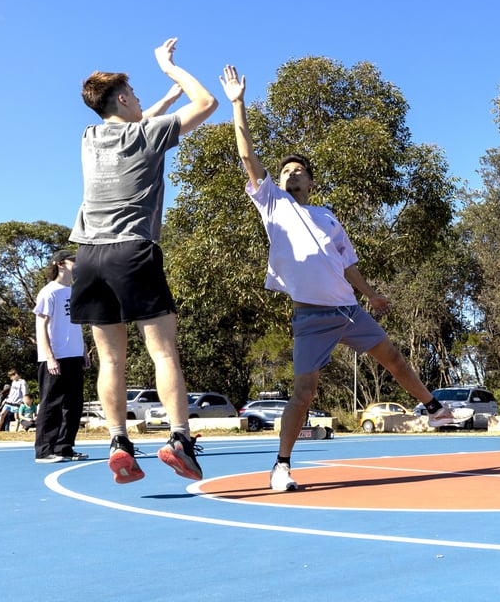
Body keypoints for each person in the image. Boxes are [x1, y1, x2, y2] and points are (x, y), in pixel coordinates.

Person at [220, 65, 462, 493]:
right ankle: (281, 465)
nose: (292, 174)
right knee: (305, 393)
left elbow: (347, 263)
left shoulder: (328, 217)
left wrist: (373, 295)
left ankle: (432, 407)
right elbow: (246, 156)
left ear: (312, 181)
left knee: (395, 359)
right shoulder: (272, 203)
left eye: (299, 171)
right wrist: (238, 103)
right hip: (311, 315)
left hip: (348, 309)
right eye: (287, 170)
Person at [69, 38, 218, 484]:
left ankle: (118, 441)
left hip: (88, 256)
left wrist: (162, 101)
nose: (138, 102)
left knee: (111, 360)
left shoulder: (91, 136)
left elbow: (137, 120)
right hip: (131, 251)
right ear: (121, 98)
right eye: (133, 95)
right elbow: (207, 102)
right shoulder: (148, 135)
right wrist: (170, 69)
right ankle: (179, 440)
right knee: (162, 350)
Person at [33, 249, 90, 463]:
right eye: (73, 259)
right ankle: (45, 450)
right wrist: (49, 356)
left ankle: (64, 447)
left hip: (74, 355)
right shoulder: (49, 292)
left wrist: (83, 351)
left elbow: (76, 325)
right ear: (60, 264)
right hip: (55, 357)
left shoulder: (74, 291)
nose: (77, 262)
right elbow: (41, 326)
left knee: (73, 405)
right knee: (51, 404)